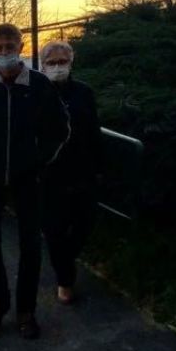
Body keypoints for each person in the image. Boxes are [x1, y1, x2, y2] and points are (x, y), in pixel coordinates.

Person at [0, 23, 69, 339]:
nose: (5, 52)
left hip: (28, 179)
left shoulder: (39, 85)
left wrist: (39, 161)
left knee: (30, 244)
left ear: (21, 47)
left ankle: (26, 311)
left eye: (10, 46)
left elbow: (59, 129)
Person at [39, 40, 102, 303]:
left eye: (62, 61)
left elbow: (94, 130)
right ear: (43, 65)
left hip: (82, 170)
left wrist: (99, 166)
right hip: (48, 175)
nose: (57, 67)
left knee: (85, 223)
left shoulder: (84, 92)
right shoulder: (35, 94)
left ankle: (65, 259)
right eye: (52, 62)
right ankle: (65, 280)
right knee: (54, 230)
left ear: (71, 62)